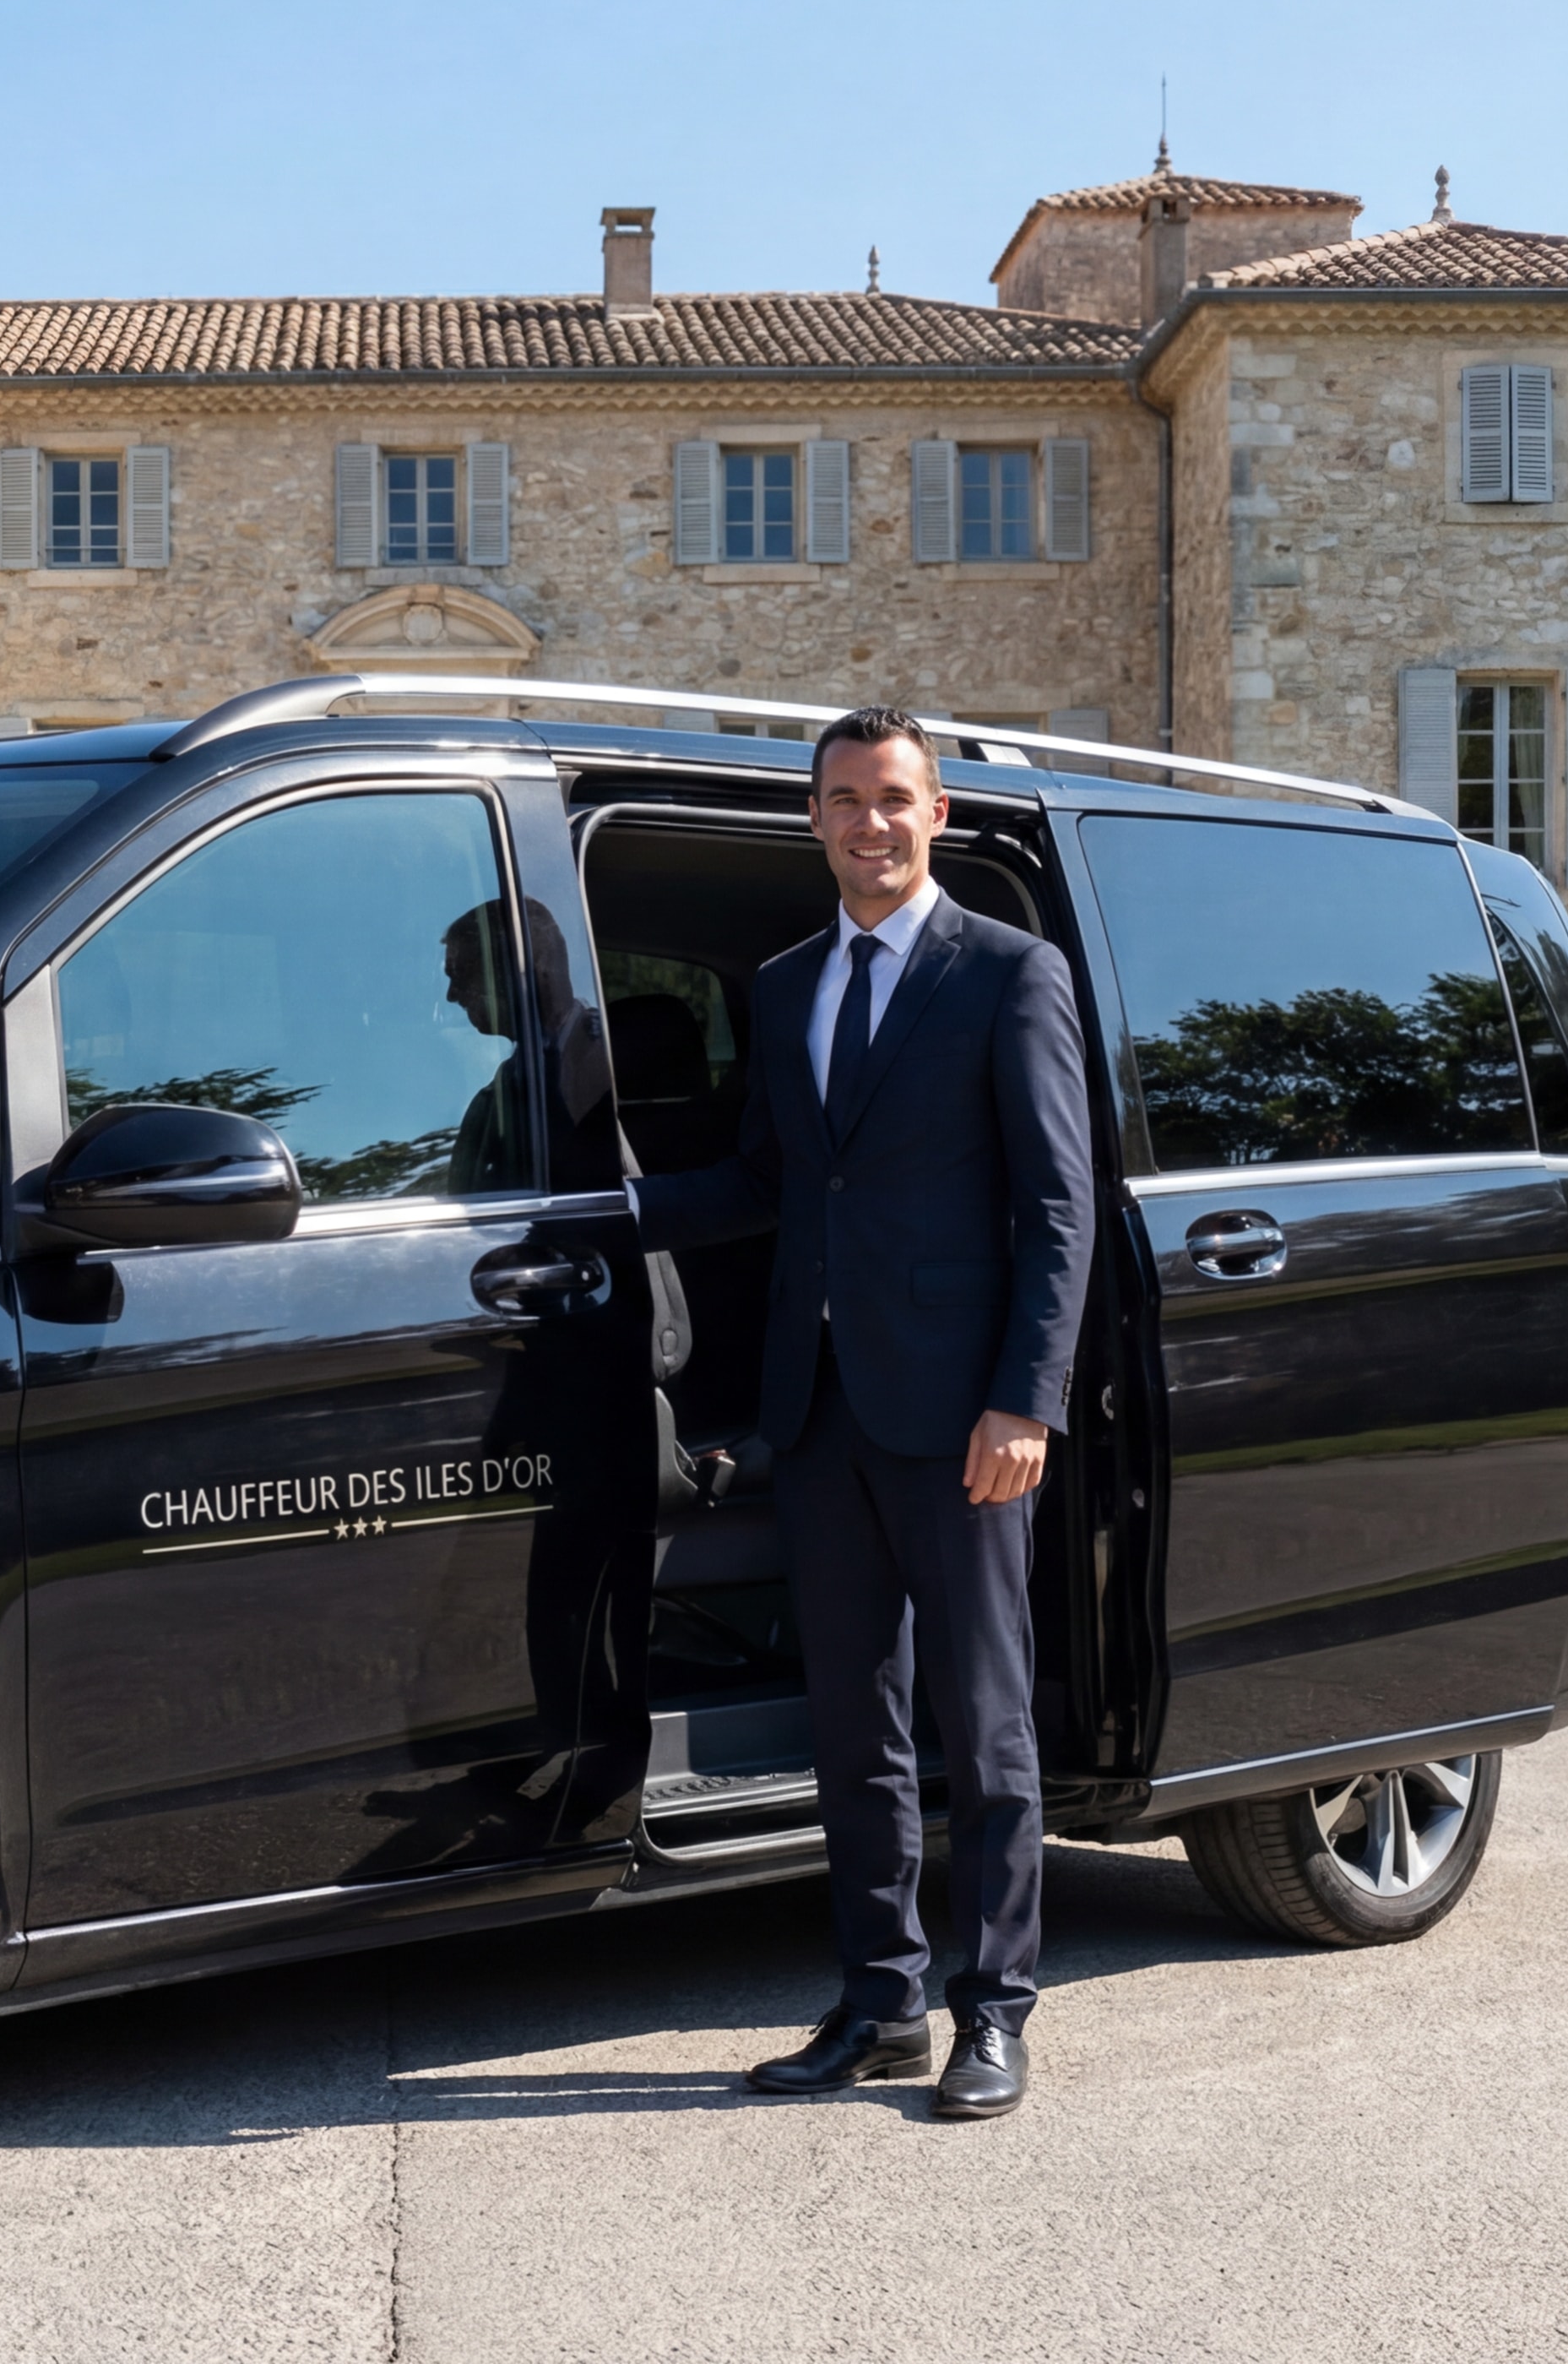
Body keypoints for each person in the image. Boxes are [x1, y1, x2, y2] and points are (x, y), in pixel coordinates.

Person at [624, 705, 1093, 2120]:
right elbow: (775, 1182)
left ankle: (995, 2013)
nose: (868, 822)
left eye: (894, 797)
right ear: (813, 818)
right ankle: (881, 2002)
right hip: (819, 1413)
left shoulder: (1009, 974)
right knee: (854, 1726)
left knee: (987, 1722)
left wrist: (1025, 1400)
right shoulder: (783, 987)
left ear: (936, 814)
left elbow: (1057, 1209)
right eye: (842, 799)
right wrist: (603, 1209)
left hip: (962, 1419)